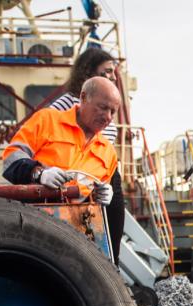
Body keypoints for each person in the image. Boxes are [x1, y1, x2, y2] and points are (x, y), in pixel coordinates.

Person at [48, 47, 129, 263]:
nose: (113, 76)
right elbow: (51, 125)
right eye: (107, 71)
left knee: (113, 228)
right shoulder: (69, 102)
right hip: (79, 169)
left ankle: (112, 270)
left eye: (114, 72)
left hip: (107, 172)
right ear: (88, 72)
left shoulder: (108, 106)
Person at [2, 76, 121, 207]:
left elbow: (95, 204)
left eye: (113, 112)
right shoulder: (46, 120)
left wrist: (99, 195)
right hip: (34, 217)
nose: (108, 117)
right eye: (103, 107)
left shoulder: (109, 153)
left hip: (79, 224)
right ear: (83, 97)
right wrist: (39, 173)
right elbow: (11, 158)